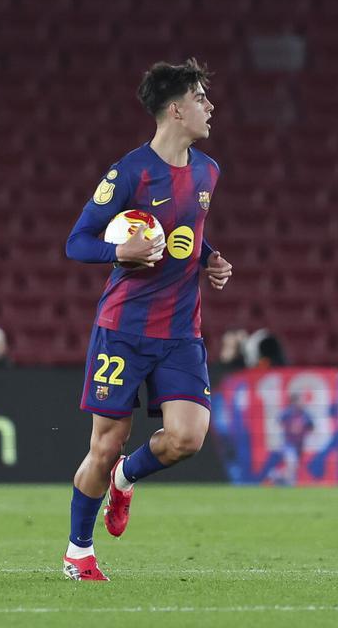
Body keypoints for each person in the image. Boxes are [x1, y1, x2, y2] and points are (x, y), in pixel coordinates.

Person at [60, 59, 233, 582]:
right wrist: (120, 251)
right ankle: (78, 552)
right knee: (105, 443)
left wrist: (209, 258)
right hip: (124, 329)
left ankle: (125, 478)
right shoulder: (129, 173)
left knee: (188, 438)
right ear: (175, 109)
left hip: (181, 331)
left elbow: (188, 230)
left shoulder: (208, 171)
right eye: (200, 98)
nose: (210, 107)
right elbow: (76, 242)